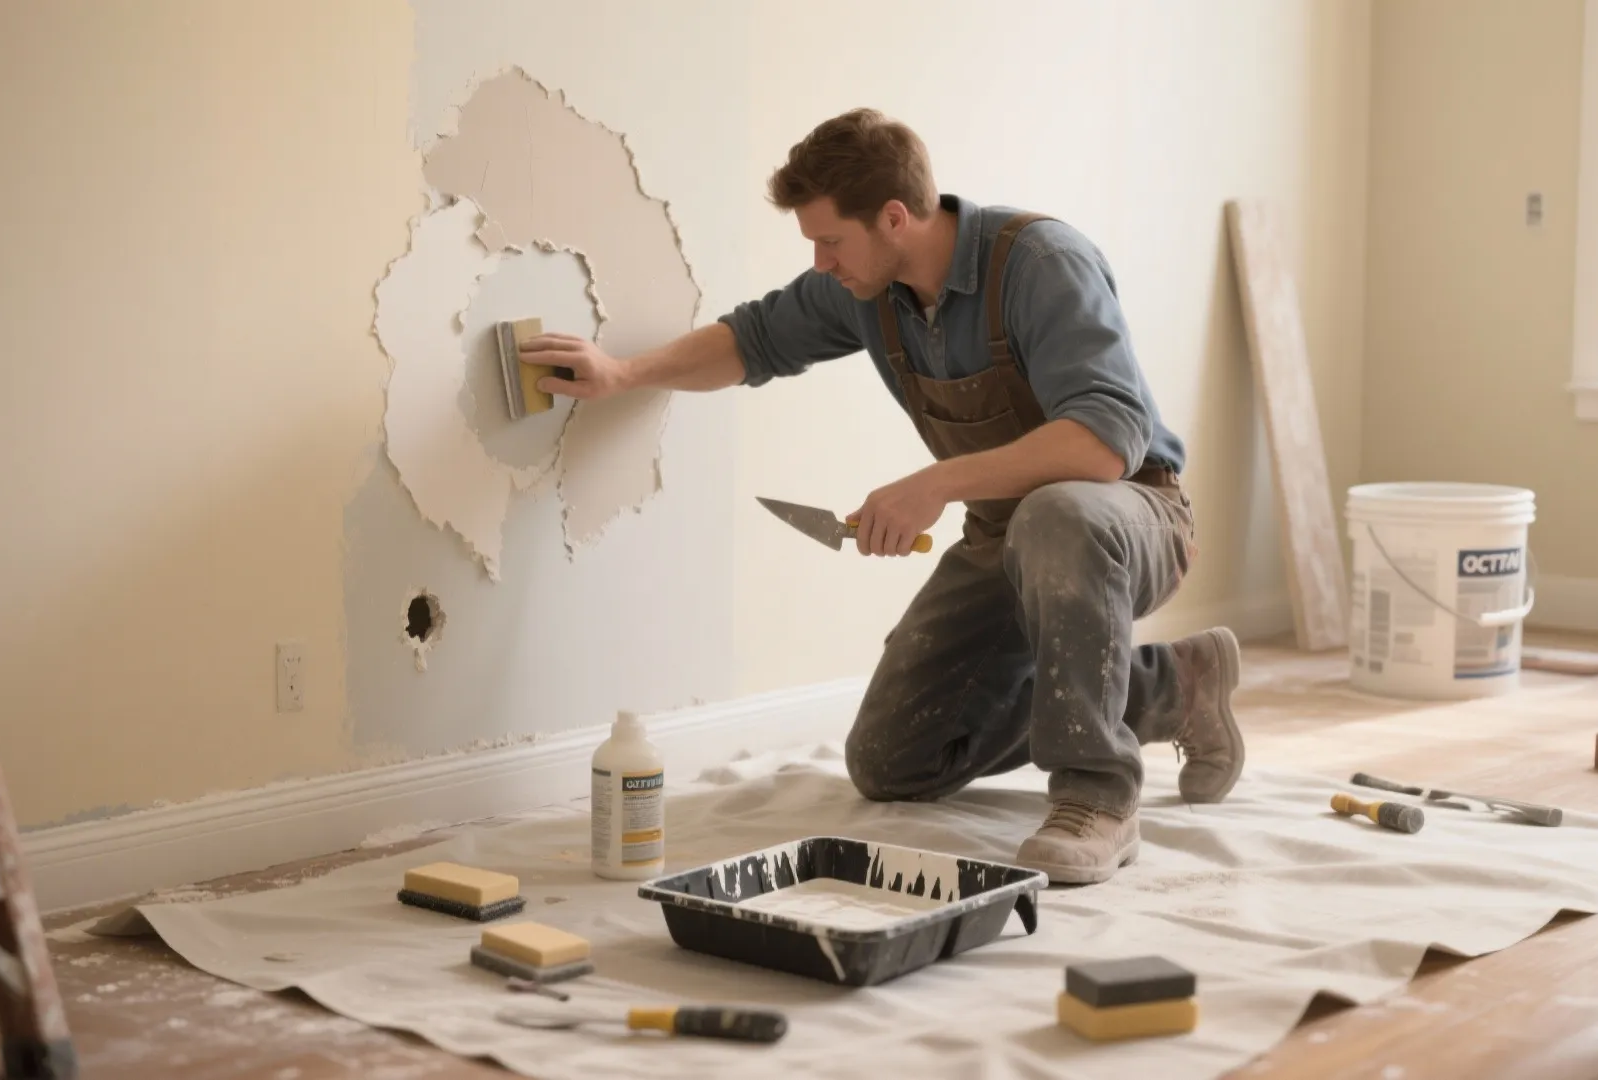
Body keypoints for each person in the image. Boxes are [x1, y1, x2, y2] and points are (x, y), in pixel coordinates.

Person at [520, 108, 1243, 885]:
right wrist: (622, 374)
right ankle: (1174, 686)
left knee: (1057, 511)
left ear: (895, 218)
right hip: (1006, 534)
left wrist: (933, 484)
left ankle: (1097, 796)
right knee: (893, 757)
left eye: (830, 242)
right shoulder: (871, 289)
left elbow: (1105, 443)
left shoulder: (1039, 264)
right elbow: (750, 340)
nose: (821, 262)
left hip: (1131, 519)